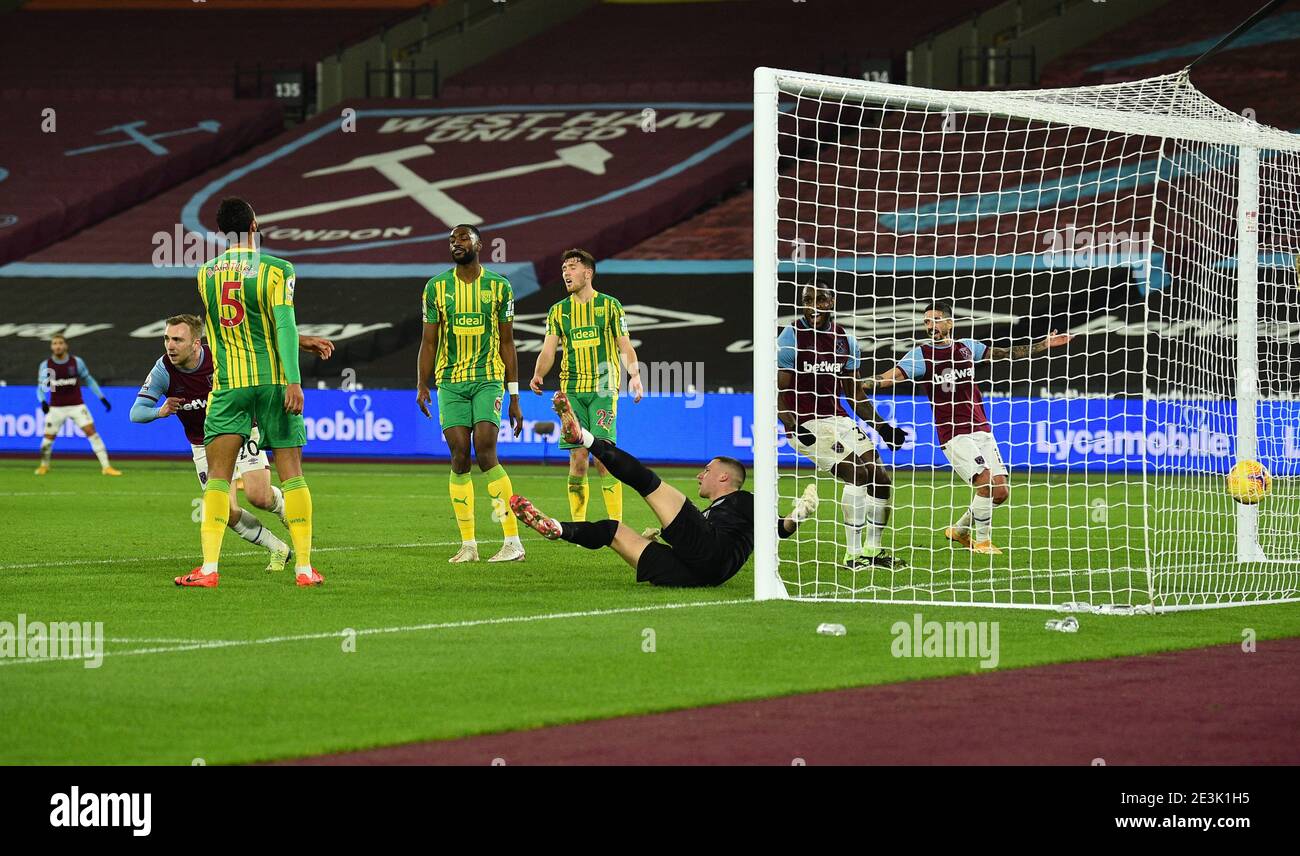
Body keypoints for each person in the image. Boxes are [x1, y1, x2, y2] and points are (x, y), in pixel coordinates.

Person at [510, 392, 818, 588]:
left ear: (725, 478)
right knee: (612, 531)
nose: (700, 476)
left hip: (711, 553)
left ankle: (585, 438)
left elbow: (780, 528)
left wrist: (798, 515)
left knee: (645, 481)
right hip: (699, 575)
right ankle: (556, 527)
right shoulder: (715, 513)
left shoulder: (744, 499)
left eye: (707, 470)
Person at [176, 196, 320, 588]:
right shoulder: (278, 269)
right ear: (255, 225)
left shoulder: (206, 274)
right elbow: (283, 326)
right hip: (274, 384)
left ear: (222, 232)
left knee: (219, 480)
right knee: (292, 476)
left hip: (228, 387)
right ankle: (304, 569)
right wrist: (294, 378)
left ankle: (208, 569)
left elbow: (227, 331)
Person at [132, 313, 334, 572]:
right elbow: (136, 413)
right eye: (167, 339)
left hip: (242, 431)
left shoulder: (220, 355)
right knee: (225, 510)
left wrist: (302, 341)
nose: (170, 346)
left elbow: (260, 344)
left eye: (178, 340)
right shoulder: (163, 370)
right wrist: (159, 411)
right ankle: (278, 548)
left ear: (196, 343)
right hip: (203, 444)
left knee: (258, 496)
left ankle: (287, 509)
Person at [870, 300, 1073, 555]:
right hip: (953, 433)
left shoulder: (968, 348)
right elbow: (888, 378)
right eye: (926, 321)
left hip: (981, 429)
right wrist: (858, 383)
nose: (930, 325)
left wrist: (1043, 345)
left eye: (935, 320)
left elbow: (1006, 353)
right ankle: (984, 542)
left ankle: (959, 530)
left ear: (950, 322)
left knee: (1000, 492)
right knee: (985, 483)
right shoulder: (920, 355)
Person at [777, 278, 906, 570]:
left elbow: (855, 394)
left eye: (819, 300)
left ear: (831, 302)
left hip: (839, 419)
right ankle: (853, 554)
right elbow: (777, 393)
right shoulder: (791, 336)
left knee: (880, 477)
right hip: (807, 424)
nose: (813, 307)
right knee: (858, 474)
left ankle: (874, 551)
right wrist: (793, 425)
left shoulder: (845, 340)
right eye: (808, 300)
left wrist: (883, 428)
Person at [416, 224, 526, 564]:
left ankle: (512, 541)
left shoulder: (499, 287)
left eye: (463, 238)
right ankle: (469, 545)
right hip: (450, 382)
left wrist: (514, 396)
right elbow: (429, 341)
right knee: (459, 453)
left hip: (488, 379)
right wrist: (422, 383)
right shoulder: (436, 288)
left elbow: (507, 343)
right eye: (452, 239)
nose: (456, 243)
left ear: (479, 244)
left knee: (485, 449)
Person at [530, 248, 644, 522]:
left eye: (572, 267)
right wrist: (538, 374)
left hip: (603, 390)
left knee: (604, 458)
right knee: (578, 458)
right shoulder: (558, 311)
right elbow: (548, 350)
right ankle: (579, 526)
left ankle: (615, 524)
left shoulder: (610, 306)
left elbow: (624, 344)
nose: (566, 272)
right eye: (564, 268)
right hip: (572, 392)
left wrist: (635, 375)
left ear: (588, 272)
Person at [34, 334, 121, 476]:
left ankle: (106, 467)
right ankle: (44, 465)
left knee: (91, 432)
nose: (58, 346)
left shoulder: (76, 362)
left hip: (76, 405)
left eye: (60, 343)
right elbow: (41, 387)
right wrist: (43, 401)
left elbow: (89, 380)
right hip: (56, 407)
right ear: (51, 346)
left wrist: (101, 397)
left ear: (65, 345)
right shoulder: (47, 365)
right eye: (55, 343)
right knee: (47, 440)